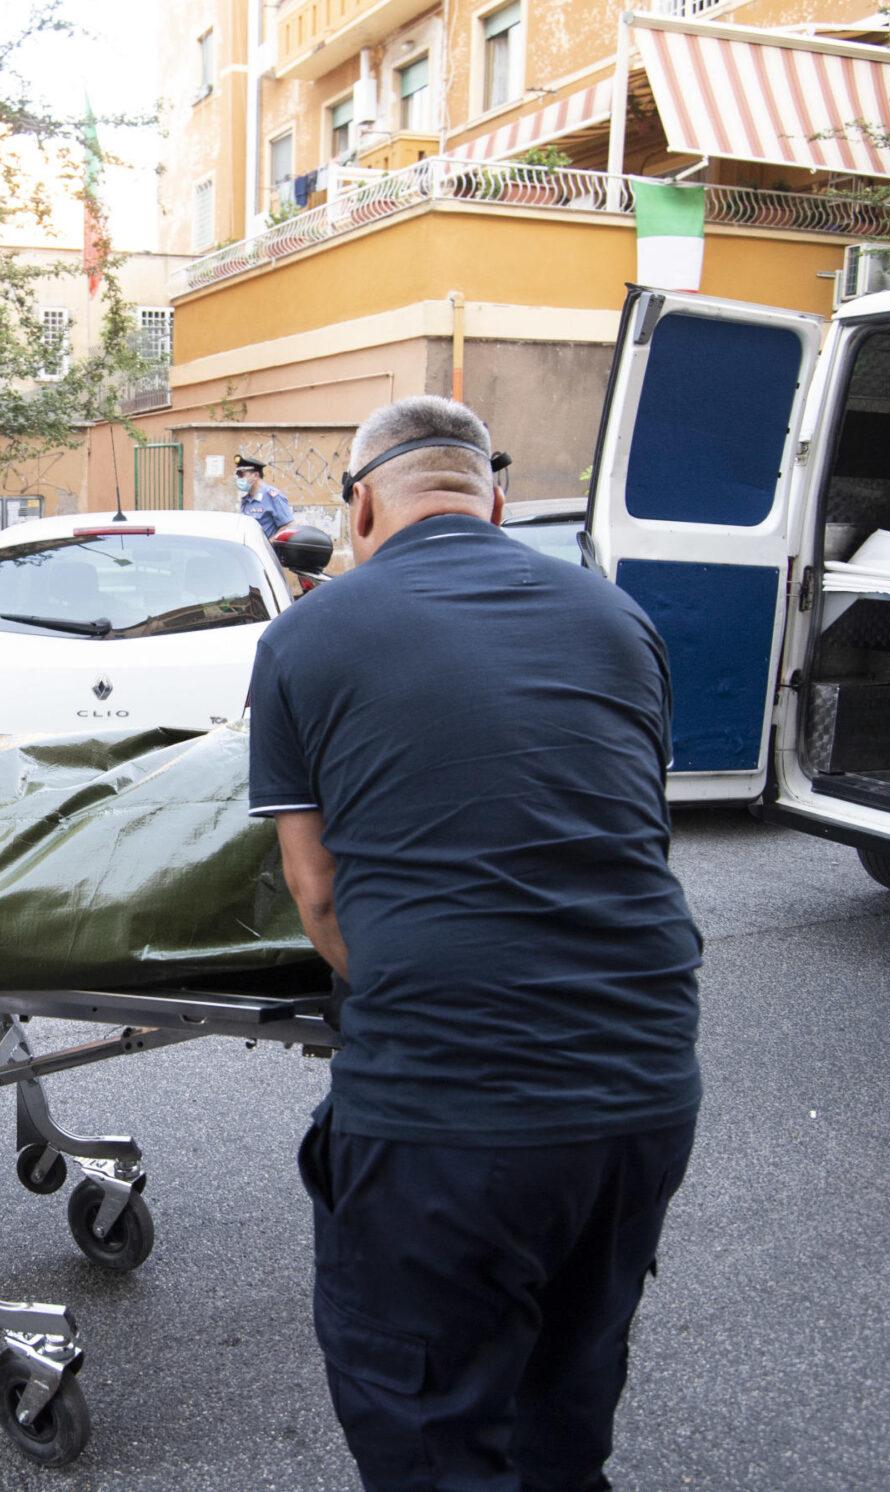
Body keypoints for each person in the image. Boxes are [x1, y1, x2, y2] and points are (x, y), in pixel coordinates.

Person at [248, 395, 702, 1492]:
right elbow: (624, 830)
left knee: (428, 1431)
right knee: (566, 1400)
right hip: (641, 1094)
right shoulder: (616, 620)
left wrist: (423, 987)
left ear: (358, 507)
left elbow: (317, 896)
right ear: (491, 501)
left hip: (448, 1114)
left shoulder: (305, 635)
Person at [235, 454, 293, 540]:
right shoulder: (246, 500)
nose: (238, 479)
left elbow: (288, 525)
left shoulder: (272, 496)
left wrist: (271, 543)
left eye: (241, 475)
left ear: (255, 475)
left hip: (266, 552)